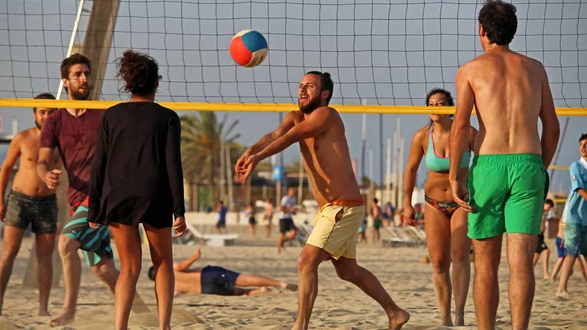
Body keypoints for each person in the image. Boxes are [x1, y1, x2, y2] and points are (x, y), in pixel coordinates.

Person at [235, 71, 409, 330]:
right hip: (331, 208)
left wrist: (259, 158)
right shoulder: (294, 117)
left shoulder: (328, 115)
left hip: (343, 206)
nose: (303, 91)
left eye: (310, 87)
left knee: (306, 261)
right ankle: (395, 313)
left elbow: (291, 137)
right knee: (348, 272)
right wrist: (250, 151)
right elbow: (274, 135)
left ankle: (300, 326)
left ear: (325, 94)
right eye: (300, 86)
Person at [449, 0, 560, 330]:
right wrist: (540, 167)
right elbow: (551, 127)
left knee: (485, 264)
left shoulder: (470, 70)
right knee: (522, 262)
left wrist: (455, 174)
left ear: (482, 31)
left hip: (489, 164)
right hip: (529, 163)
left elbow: (459, 127)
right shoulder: (536, 68)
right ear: (512, 31)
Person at [37, 53, 146, 326]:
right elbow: (42, 160)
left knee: (65, 244)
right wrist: (46, 175)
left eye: (87, 73)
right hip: (78, 200)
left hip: (104, 197)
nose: (85, 78)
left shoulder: (105, 114)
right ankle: (144, 313)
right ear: (65, 81)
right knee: (103, 269)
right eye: (78, 74)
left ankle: (69, 309)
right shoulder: (55, 120)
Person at [88, 50, 187, 330]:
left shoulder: (111, 115)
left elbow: (99, 164)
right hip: (154, 194)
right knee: (164, 261)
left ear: (129, 83)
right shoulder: (168, 118)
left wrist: (95, 207)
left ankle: (120, 327)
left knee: (129, 268)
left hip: (118, 195)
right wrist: (179, 209)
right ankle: (164, 326)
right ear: (156, 82)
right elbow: (173, 165)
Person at [403, 87, 476, 326]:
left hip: (462, 202)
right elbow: (411, 170)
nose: (435, 108)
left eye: (440, 103)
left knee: (460, 256)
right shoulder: (422, 136)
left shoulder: (467, 133)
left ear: (450, 107)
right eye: (431, 104)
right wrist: (407, 205)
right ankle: (445, 317)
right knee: (439, 263)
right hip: (433, 203)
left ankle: (460, 313)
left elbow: (487, 161)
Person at [0, 94, 59, 317]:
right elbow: (6, 170)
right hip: (20, 200)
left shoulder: (62, 142)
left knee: (45, 258)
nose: (47, 116)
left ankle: (43, 308)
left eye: (51, 112)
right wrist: (0, 200)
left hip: (47, 202)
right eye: (42, 112)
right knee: (9, 252)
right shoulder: (23, 137)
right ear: (35, 114)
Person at [148, 249, 298, 296]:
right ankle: (280, 283)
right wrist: (195, 256)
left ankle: (261, 291)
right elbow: (181, 266)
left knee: (239, 292)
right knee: (244, 280)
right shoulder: (168, 269)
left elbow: (177, 294)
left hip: (207, 290)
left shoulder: (168, 287)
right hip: (206, 275)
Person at [556, 133, 587, 297]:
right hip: (574, 218)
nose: (583, 147)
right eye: (581, 144)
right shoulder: (576, 166)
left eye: (586, 144)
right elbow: (580, 189)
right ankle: (561, 289)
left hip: (586, 219)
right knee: (571, 252)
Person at [549, 200, 587, 283]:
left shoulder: (563, 218)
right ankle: (584, 276)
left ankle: (553, 277)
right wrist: (564, 239)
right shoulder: (568, 219)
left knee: (562, 259)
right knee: (575, 259)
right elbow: (563, 229)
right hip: (563, 239)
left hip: (560, 238)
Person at [533, 199, 555, 279]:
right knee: (546, 251)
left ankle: (530, 271)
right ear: (545, 204)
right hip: (537, 235)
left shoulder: (544, 213)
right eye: (549, 207)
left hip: (541, 235)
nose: (549, 209)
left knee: (536, 255)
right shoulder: (538, 211)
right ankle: (545, 273)